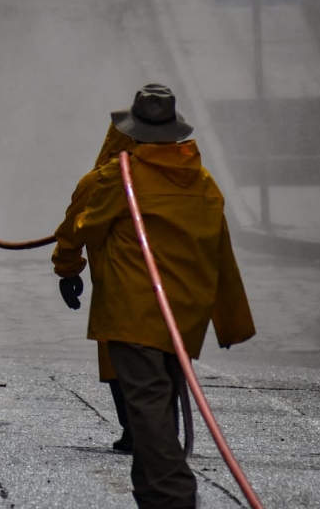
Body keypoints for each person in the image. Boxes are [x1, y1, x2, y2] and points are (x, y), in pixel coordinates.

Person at [53, 84, 256, 509]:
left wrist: (67, 265)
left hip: (133, 310)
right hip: (185, 316)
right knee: (160, 403)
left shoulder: (117, 176)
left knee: (148, 407)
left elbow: (82, 228)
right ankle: (151, 495)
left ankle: (175, 495)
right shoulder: (203, 183)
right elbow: (221, 254)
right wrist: (230, 319)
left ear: (133, 131)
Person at [52, 122, 137, 452]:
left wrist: (68, 271)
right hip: (173, 287)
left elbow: (73, 231)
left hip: (118, 286)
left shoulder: (100, 181)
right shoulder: (189, 179)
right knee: (164, 355)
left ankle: (133, 429)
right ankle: (160, 425)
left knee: (118, 353)